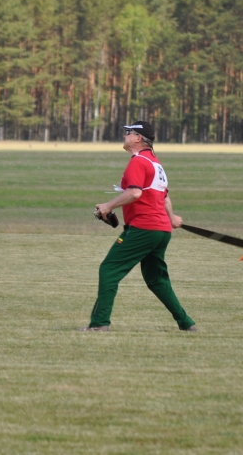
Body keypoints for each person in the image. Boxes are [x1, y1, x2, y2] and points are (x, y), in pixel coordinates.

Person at [80, 121, 196, 332]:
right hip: (161, 230)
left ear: (138, 138)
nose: (125, 136)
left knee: (109, 270)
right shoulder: (155, 163)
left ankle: (99, 324)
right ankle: (186, 323)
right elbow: (164, 197)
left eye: (128, 132)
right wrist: (171, 218)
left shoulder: (138, 162)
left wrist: (108, 206)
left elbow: (135, 193)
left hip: (144, 228)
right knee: (156, 279)